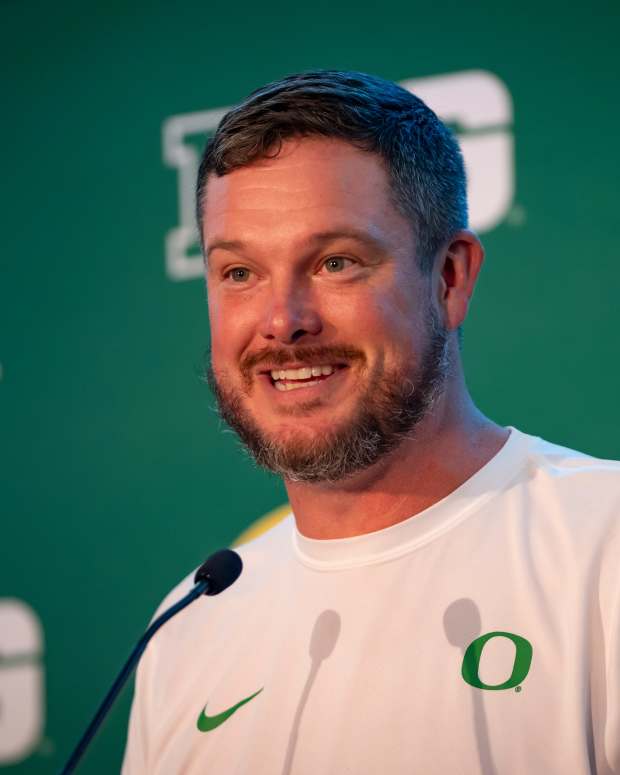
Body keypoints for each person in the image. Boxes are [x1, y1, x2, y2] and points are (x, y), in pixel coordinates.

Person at [122, 70, 619, 774]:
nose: (282, 321)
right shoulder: (187, 627)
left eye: (335, 262)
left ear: (450, 278)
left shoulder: (605, 548)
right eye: (239, 273)